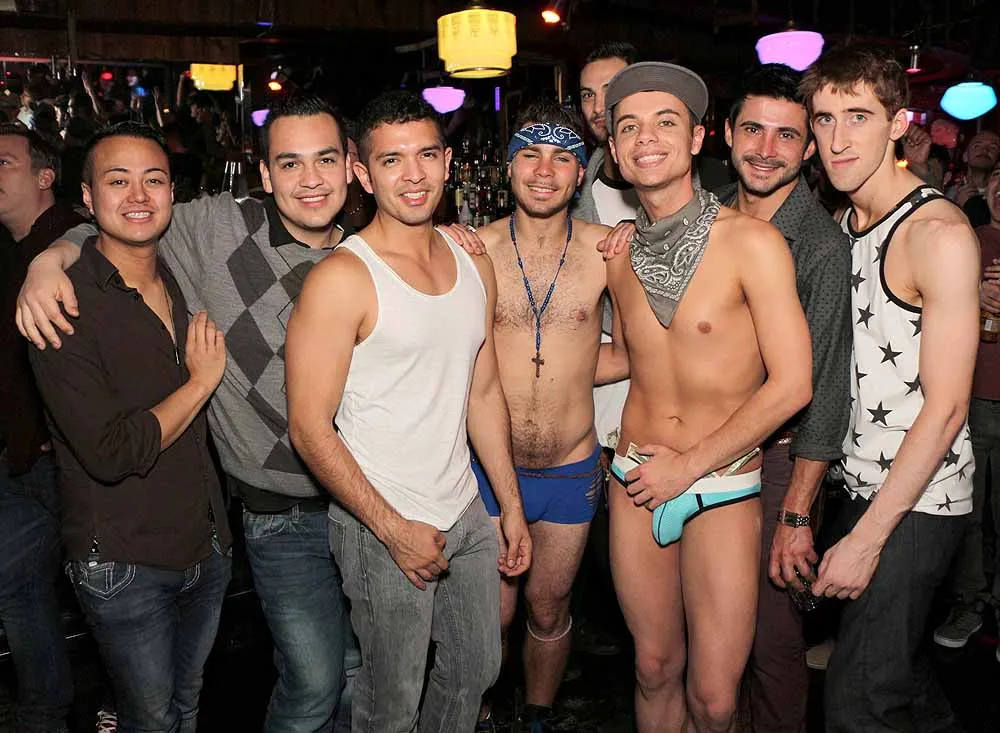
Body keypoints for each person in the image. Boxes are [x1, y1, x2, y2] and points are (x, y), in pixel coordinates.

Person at [17, 94, 361, 733]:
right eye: (290, 163)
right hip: (274, 516)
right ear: (265, 174)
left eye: (325, 160)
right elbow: (122, 221)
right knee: (311, 687)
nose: (310, 179)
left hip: (356, 508)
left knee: (356, 680)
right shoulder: (214, 231)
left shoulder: (372, 253)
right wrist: (47, 259)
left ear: (352, 166)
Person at [285, 90, 532, 732]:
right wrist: (393, 530)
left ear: (448, 162)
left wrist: (508, 504)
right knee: (391, 700)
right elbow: (308, 429)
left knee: (476, 670)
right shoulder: (342, 278)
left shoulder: (473, 261)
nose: (413, 174)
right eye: (391, 160)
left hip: (464, 507)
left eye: (426, 155)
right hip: (381, 520)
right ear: (363, 175)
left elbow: (483, 392)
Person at [601, 62, 813, 731]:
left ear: (697, 138)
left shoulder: (753, 242)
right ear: (614, 152)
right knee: (652, 667)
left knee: (716, 699)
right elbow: (625, 357)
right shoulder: (615, 254)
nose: (646, 138)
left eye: (665, 122)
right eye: (628, 127)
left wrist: (688, 466)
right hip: (635, 479)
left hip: (720, 480)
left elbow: (793, 384)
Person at [28, 121, 233, 733]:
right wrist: (200, 382)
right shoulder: (62, 304)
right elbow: (112, 451)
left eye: (154, 180)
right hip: (124, 561)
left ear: (173, 192)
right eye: (118, 181)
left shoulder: (183, 271)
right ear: (87, 199)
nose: (139, 195)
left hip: (207, 545)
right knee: (151, 720)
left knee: (187, 706)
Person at [801, 45, 980, 731]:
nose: (838, 139)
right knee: (903, 675)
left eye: (858, 116)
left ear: (898, 124)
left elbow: (948, 407)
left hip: (919, 500)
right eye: (824, 119)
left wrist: (867, 539)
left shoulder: (936, 234)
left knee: (858, 704)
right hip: (862, 482)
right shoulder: (845, 221)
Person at [463, 100, 620, 730]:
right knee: (491, 614)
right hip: (486, 466)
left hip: (569, 468)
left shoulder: (607, 252)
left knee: (549, 609)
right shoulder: (473, 250)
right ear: (508, 167)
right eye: (530, 154)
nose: (545, 171)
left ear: (581, 174)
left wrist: (569, 368)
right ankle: (479, 712)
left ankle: (537, 716)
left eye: (562, 157)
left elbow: (637, 351)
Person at [717, 63, 852, 732]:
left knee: (771, 639)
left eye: (787, 136)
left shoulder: (820, 246)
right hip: (706, 451)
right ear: (726, 133)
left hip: (778, 463)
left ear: (808, 150)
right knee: (716, 630)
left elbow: (824, 390)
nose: (766, 150)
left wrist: (797, 512)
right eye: (753, 130)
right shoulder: (705, 212)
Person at [0, 122, 79, 733]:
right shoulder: (9, 250)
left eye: (3, 162)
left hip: (72, 459)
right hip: (21, 455)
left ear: (44, 176)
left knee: (106, 591)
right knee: (16, 583)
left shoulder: (71, 242)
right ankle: (44, 709)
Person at [934, 157, 1000, 652]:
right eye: (997, 183)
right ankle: (969, 604)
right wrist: (970, 293)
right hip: (970, 396)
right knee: (969, 511)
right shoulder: (968, 238)